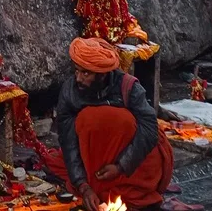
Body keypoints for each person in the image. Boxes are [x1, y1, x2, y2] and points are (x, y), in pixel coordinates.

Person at [46, 38, 173, 211]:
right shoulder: (70, 91)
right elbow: (68, 140)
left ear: (102, 74)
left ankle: (123, 185)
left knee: (118, 120)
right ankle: (96, 184)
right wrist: (83, 186)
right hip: (95, 157)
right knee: (88, 119)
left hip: (133, 158)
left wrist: (121, 166)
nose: (78, 79)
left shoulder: (128, 87)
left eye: (86, 73)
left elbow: (150, 129)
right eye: (77, 71)